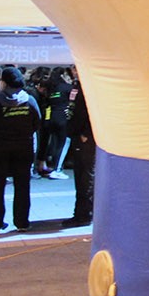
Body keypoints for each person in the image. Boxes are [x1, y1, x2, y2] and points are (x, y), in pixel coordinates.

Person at [0, 66, 41, 233]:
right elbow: (37, 122)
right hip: (23, 148)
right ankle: (22, 222)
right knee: (22, 186)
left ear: (4, 82)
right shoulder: (29, 100)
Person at [64, 73, 94, 227]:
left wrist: (85, 134)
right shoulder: (79, 86)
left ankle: (84, 214)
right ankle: (82, 213)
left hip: (85, 139)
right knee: (82, 177)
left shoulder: (88, 88)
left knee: (85, 178)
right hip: (80, 136)